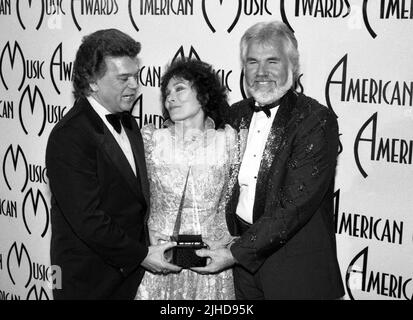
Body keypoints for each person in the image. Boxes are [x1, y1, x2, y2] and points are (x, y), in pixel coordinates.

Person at [193, 21, 345, 300]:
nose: (261, 72)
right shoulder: (234, 115)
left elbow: (294, 206)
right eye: (252, 62)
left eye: (272, 61)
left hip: (295, 270)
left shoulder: (315, 120)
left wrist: (234, 253)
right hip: (241, 272)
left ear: (293, 66)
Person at [46, 29, 180, 300]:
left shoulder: (129, 122)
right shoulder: (69, 135)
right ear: (93, 82)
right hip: (90, 281)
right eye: (123, 78)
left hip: (130, 279)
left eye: (135, 76)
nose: (134, 85)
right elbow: (88, 219)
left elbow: (132, 199)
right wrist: (142, 255)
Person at [135, 59, 242, 300]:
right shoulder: (151, 140)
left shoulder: (229, 141)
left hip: (210, 264)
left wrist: (227, 245)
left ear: (203, 94)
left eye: (180, 88)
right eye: (167, 93)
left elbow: (232, 201)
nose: (170, 98)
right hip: (159, 261)